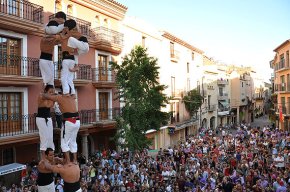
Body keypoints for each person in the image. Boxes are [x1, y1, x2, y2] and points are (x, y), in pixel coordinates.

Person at [42, 91, 80, 163]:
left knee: (64, 143)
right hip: (77, 121)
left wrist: (48, 94)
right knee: (73, 141)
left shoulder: (60, 97)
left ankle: (68, 161)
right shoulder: (72, 96)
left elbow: (45, 96)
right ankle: (75, 160)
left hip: (69, 121)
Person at [60, 19, 89, 95]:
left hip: (81, 48)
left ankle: (66, 92)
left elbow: (63, 36)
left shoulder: (71, 36)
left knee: (64, 77)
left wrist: (64, 31)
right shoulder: (71, 36)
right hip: (76, 55)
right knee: (69, 78)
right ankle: (72, 92)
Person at [39, 11, 66, 86]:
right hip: (44, 60)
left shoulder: (51, 38)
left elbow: (58, 40)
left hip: (49, 60)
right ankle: (47, 90)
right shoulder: (47, 38)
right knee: (49, 77)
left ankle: (50, 90)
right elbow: (59, 37)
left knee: (50, 79)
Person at [36, 84, 55, 160]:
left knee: (50, 137)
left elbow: (51, 105)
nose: (51, 93)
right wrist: (53, 98)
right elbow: (47, 105)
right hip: (41, 119)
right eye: (50, 92)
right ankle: (43, 158)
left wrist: (53, 98)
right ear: (45, 91)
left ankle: (51, 156)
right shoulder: (41, 96)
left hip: (48, 118)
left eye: (52, 92)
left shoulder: (50, 98)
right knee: (44, 137)